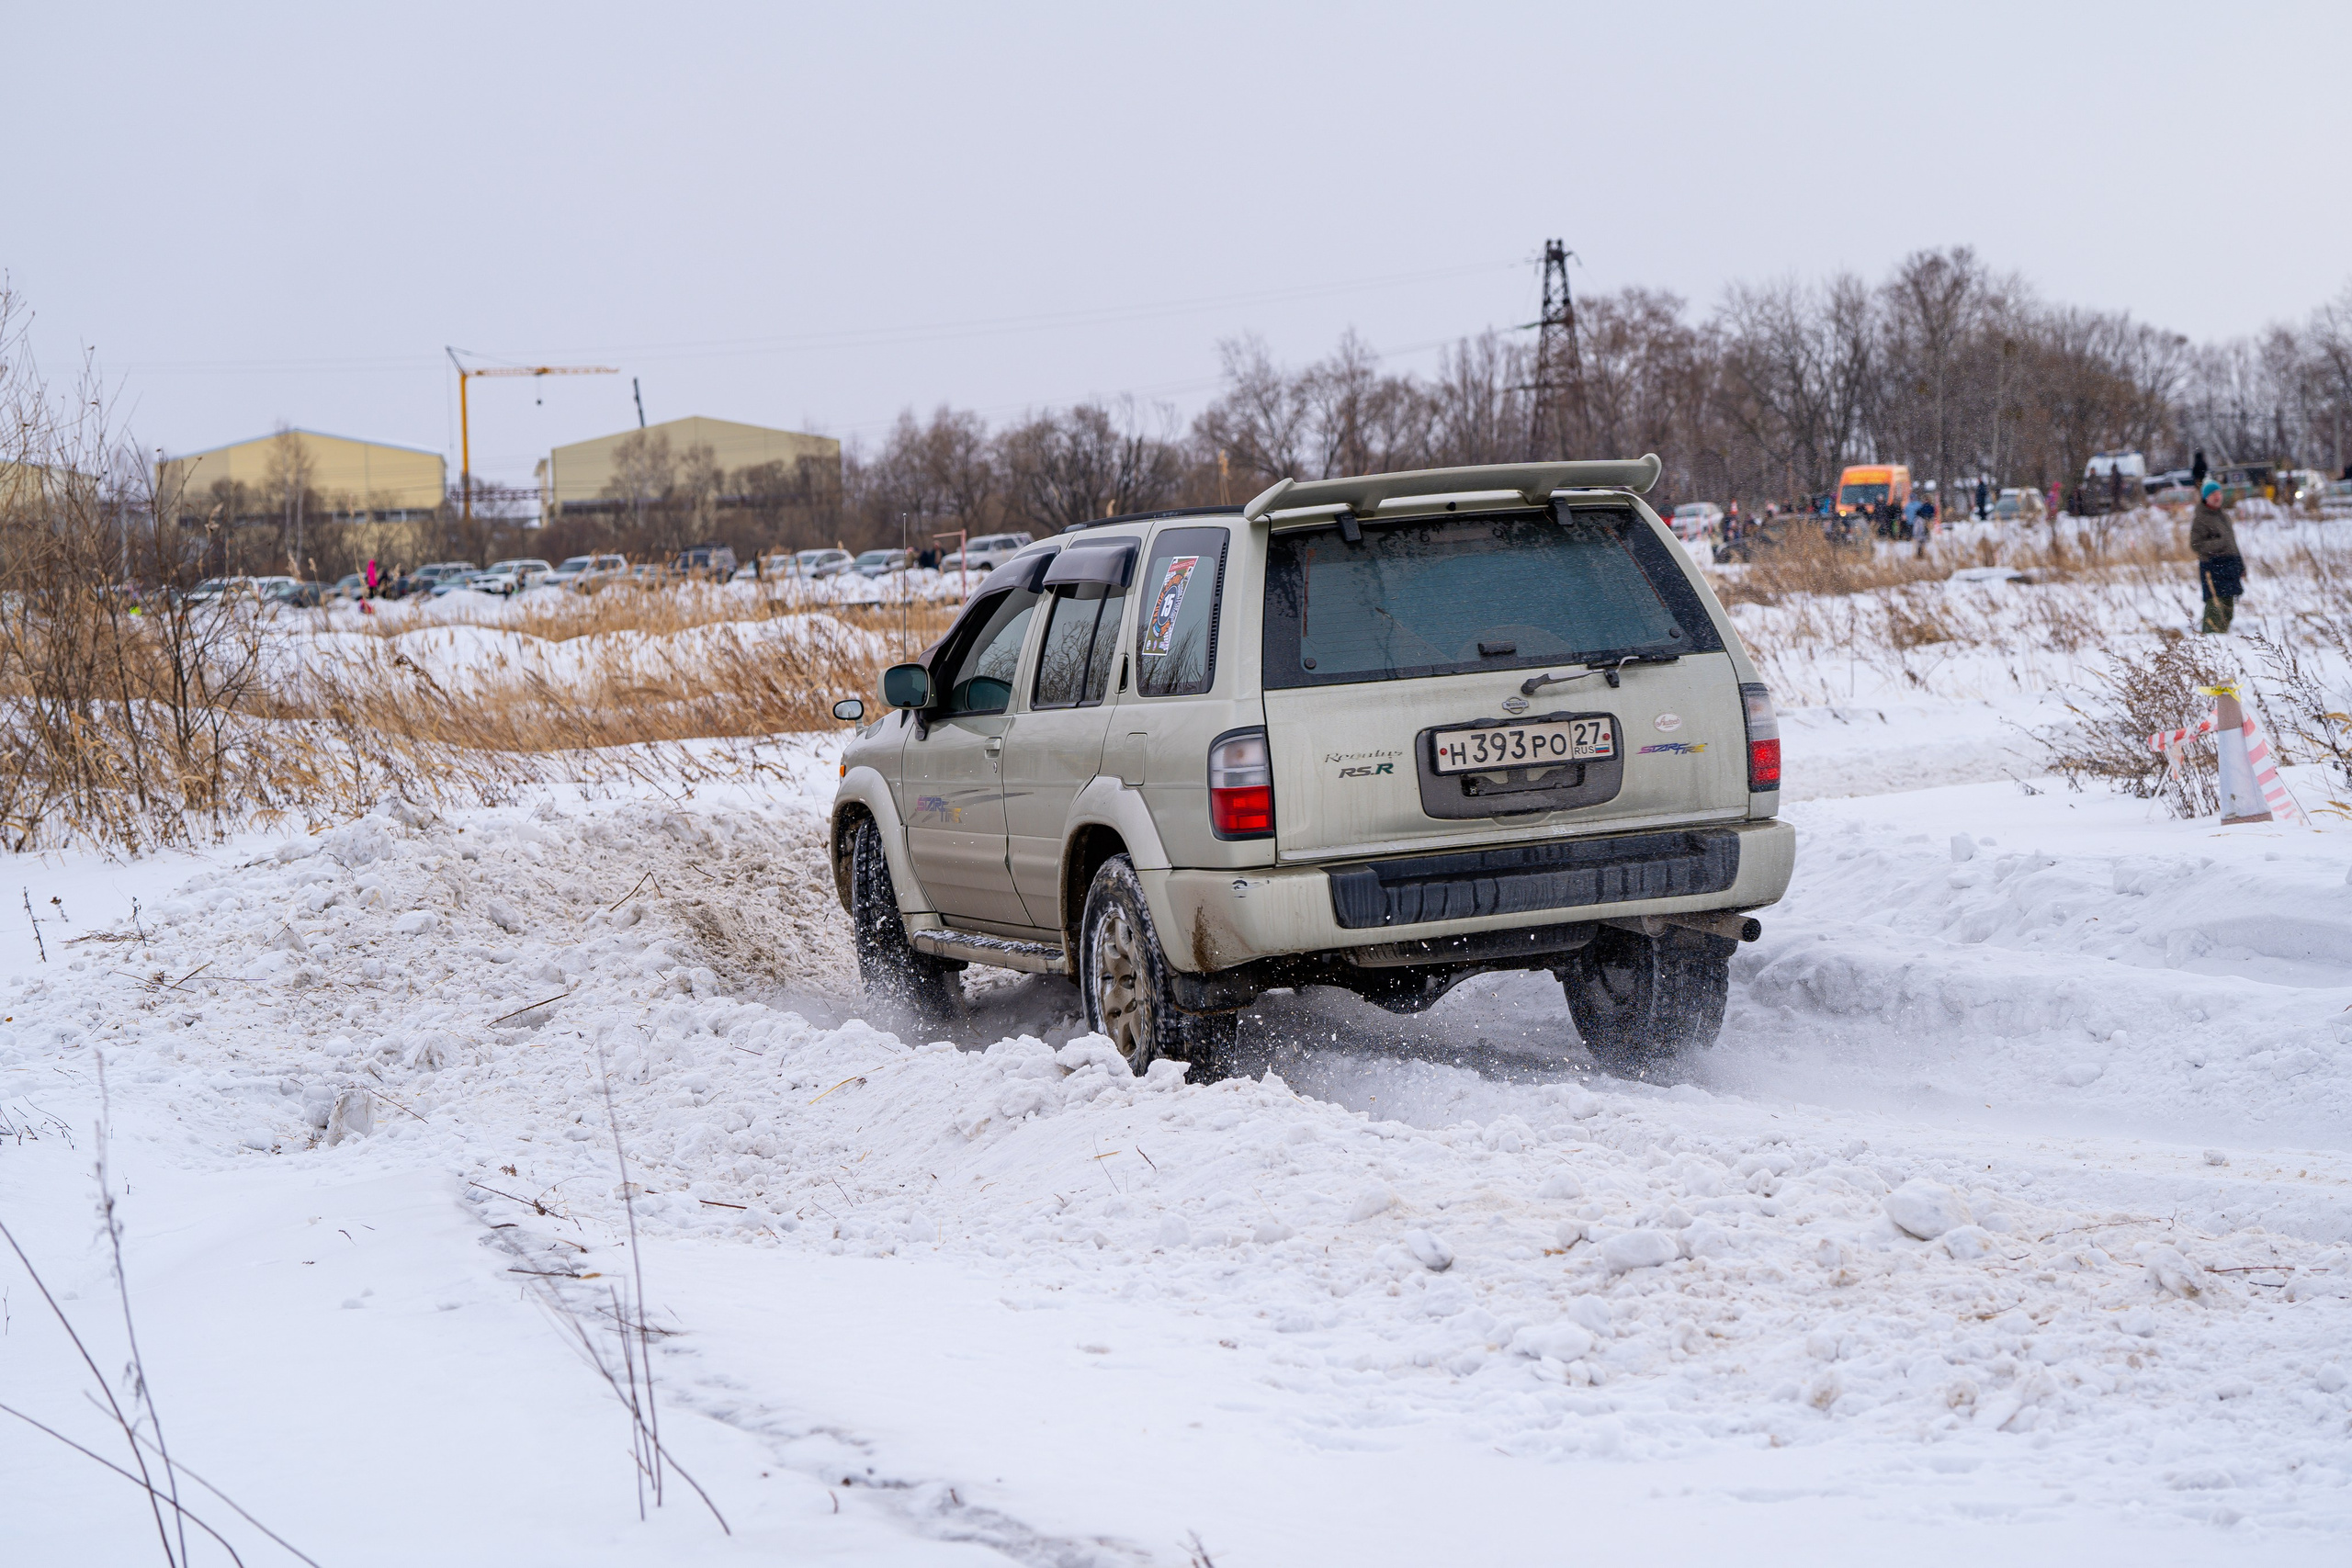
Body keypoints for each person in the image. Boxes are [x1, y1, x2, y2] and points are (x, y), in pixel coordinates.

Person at [2189, 479, 2244, 634]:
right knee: (2215, 602)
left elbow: (2232, 543)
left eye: (2219, 493)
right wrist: (2219, 543)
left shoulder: (2224, 516)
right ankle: (2211, 636)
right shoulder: (2201, 518)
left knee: (2228, 603)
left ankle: (2223, 635)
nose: (2217, 496)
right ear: (2206, 497)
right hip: (2213, 565)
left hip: (2230, 564)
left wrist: (2241, 565)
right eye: (2213, 494)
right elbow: (2195, 545)